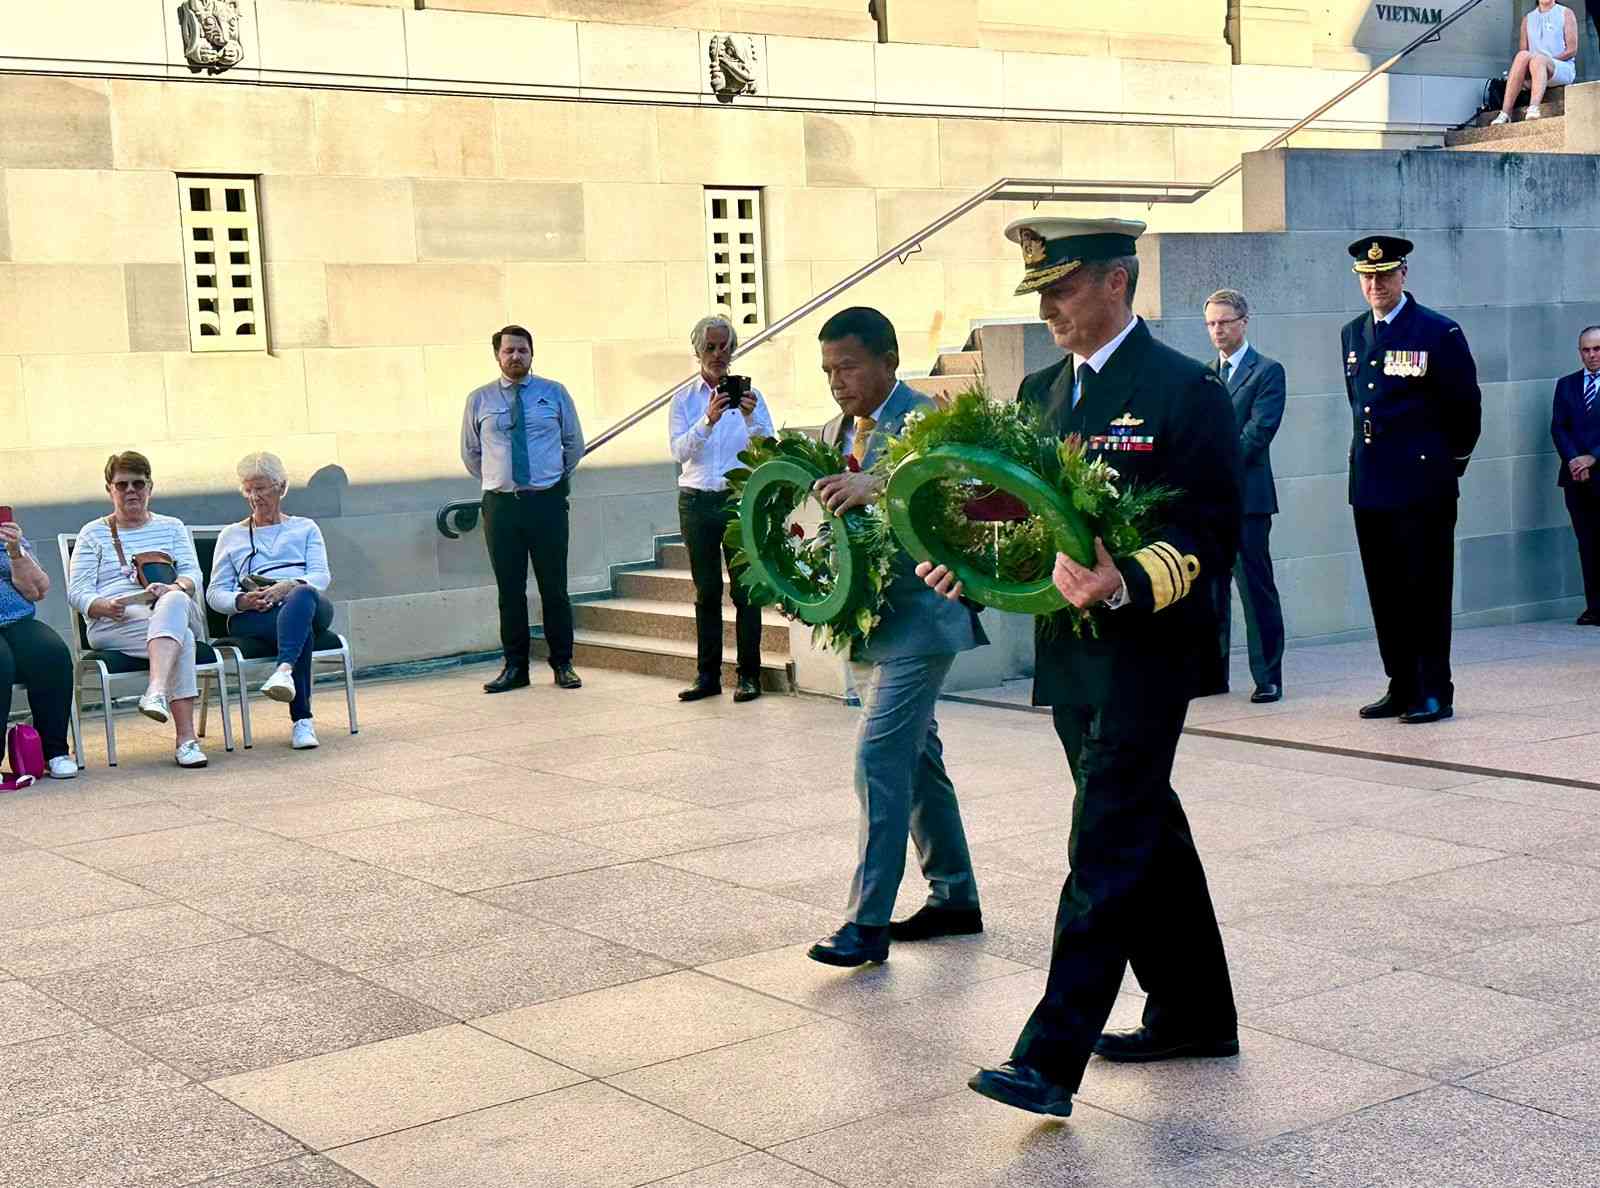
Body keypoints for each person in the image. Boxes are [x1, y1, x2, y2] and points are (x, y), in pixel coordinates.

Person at [919, 218, 1242, 1117]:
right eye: (1041, 292)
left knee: (1103, 840)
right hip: (1070, 654)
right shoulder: (1037, 392)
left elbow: (1213, 530)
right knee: (1146, 834)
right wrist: (963, 556)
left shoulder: (1185, 390)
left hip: (1149, 647)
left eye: (1062, 289)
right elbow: (1010, 513)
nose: (1048, 307)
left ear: (1116, 282)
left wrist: (1125, 581)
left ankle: (1047, 1059)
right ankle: (1195, 1013)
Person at [804, 306, 989, 968]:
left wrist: (877, 483)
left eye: (848, 366)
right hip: (864, 624)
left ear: (888, 359)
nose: (837, 381)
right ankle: (955, 898)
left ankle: (866, 923)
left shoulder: (929, 421)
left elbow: (961, 489)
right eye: (828, 369)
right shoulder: (831, 432)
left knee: (878, 760)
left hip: (924, 617)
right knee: (915, 759)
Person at [1342, 236, 1481, 725]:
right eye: (1367, 277)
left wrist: (1446, 466)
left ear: (1404, 276)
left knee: (1425, 590)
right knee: (1386, 590)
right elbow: (1360, 405)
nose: (1376, 284)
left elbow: (1466, 408)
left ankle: (1433, 691)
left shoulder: (1439, 332)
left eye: (1385, 275)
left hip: (1424, 487)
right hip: (1372, 484)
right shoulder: (1353, 334)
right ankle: (1401, 684)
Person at [461, 324, 585, 694]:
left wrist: (550, 478)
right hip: (502, 507)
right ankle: (515, 667)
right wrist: (500, 479)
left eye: (522, 351)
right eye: (508, 351)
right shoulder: (479, 399)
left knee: (555, 587)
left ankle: (563, 663)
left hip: (546, 503)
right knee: (509, 590)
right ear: (497, 355)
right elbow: (471, 453)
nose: (516, 357)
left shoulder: (554, 393)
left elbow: (573, 443)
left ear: (532, 354)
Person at [67, 451, 209, 769]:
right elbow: (77, 592)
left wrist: (174, 588)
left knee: (174, 603)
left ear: (150, 487)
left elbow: (193, 575)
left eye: (138, 483)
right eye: (122, 485)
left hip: (171, 607)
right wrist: (101, 605)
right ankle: (186, 741)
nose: (130, 490)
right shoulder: (93, 533)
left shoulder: (172, 527)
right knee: (180, 639)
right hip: (116, 622)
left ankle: (156, 690)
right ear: (109, 489)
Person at [668, 315, 775, 704]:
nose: (718, 354)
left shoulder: (753, 397)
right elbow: (679, 451)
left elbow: (770, 447)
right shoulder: (684, 400)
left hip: (737, 500)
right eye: (710, 347)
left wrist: (748, 416)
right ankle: (706, 676)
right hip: (696, 501)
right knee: (706, 592)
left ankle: (749, 676)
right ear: (697, 350)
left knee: (746, 592)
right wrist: (708, 421)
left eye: (725, 346)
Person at [206, 452, 335, 750]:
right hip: (257, 614)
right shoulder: (232, 536)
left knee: (301, 596)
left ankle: (283, 671)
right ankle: (301, 720)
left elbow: (320, 576)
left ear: (281, 487)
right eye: (248, 489)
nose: (254, 496)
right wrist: (242, 601)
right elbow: (214, 594)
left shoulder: (305, 528)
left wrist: (288, 586)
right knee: (299, 630)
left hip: (307, 602)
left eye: (261, 488)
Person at [1204, 288, 1286, 704]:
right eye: (1212, 324)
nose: (1218, 330)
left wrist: (1214, 467)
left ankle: (1268, 675)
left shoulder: (1267, 371)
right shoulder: (1203, 374)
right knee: (1211, 590)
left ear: (1244, 322)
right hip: (1210, 504)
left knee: (1255, 590)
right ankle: (1213, 672)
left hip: (1248, 501)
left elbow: (1258, 432)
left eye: (1225, 322)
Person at [0, 511, 78, 779]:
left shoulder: (7, 537)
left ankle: (54, 751)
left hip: (16, 620)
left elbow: (37, 591)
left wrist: (15, 551)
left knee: (52, 654)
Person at [1551, 326, 1600, 624]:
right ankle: (1595, 607)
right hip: (1576, 479)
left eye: (1597, 349)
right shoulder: (1566, 385)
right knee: (1588, 543)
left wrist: (1593, 457)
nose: (1592, 355)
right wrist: (1574, 460)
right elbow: (1559, 426)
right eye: (1586, 350)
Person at [1492, 1, 1579, 123]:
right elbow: (1524, 52)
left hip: (1560, 67)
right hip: (1534, 71)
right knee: (1522, 55)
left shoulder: (1565, 13)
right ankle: (1505, 112)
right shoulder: (1528, 18)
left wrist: (1547, 61)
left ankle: (1533, 107)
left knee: (1539, 59)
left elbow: (1572, 50)